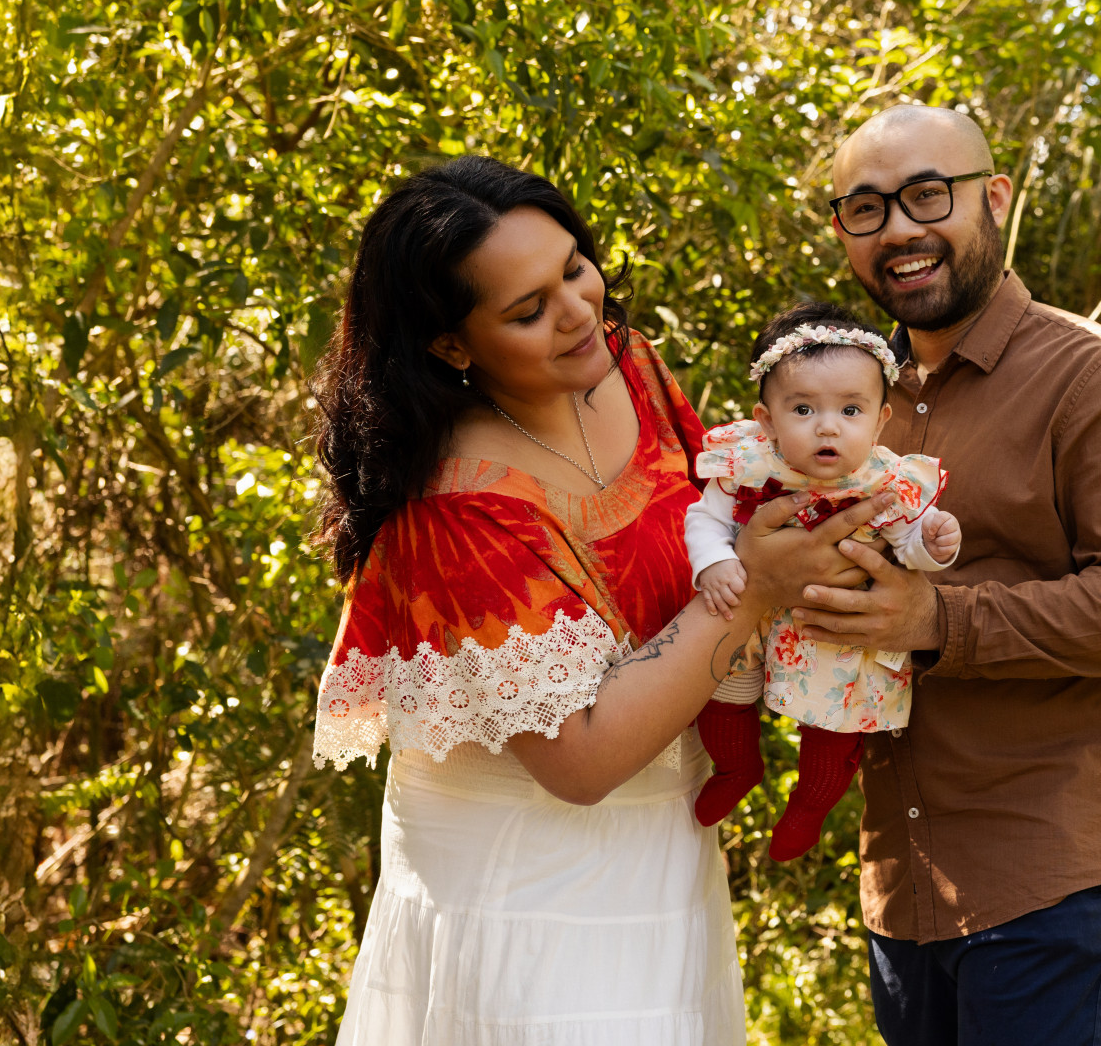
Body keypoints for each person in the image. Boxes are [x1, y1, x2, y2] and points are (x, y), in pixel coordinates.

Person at [735, 106, 1101, 1045]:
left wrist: (936, 620)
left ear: (994, 199)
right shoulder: (847, 406)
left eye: (925, 196)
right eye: (867, 209)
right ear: (843, 234)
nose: (900, 230)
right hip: (901, 881)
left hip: (1050, 871)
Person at [309, 155, 765, 1044]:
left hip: (665, 850)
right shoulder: (456, 507)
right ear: (451, 344)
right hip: (522, 885)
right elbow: (582, 763)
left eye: (573, 268)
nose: (578, 311)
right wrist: (758, 593)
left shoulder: (629, 366)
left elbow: (723, 512)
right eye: (527, 310)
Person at [682, 301, 963, 860]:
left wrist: (931, 545)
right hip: (752, 609)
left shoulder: (888, 479)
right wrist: (713, 561)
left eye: (851, 410)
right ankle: (736, 767)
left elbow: (907, 542)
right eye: (804, 408)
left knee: (836, 728)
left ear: (882, 418)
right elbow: (704, 518)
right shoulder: (750, 462)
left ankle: (809, 809)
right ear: (767, 419)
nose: (828, 426)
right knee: (720, 691)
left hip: (832, 620)